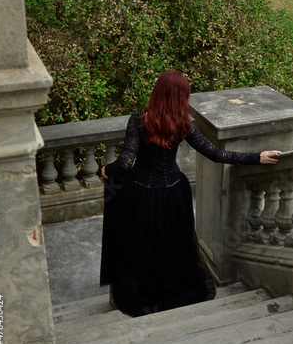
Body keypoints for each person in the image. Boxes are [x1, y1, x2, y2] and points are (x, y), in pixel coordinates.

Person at [100, 71, 281, 317]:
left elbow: (125, 162)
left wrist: (105, 171)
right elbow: (217, 154)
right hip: (174, 193)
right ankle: (168, 286)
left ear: (158, 91)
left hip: (143, 194)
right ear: (181, 96)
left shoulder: (139, 121)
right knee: (171, 243)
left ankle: (144, 290)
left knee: (144, 243)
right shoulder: (183, 125)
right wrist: (256, 157)